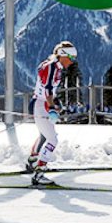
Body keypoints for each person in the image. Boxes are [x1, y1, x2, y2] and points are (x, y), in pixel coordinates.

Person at [26, 41, 78, 186]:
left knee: (44, 136)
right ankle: (39, 172)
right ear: (62, 55)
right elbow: (48, 89)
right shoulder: (52, 67)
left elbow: (49, 90)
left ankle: (33, 161)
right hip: (41, 104)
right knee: (52, 140)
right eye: (71, 58)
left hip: (41, 103)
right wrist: (52, 107)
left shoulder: (55, 66)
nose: (72, 62)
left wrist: (55, 105)